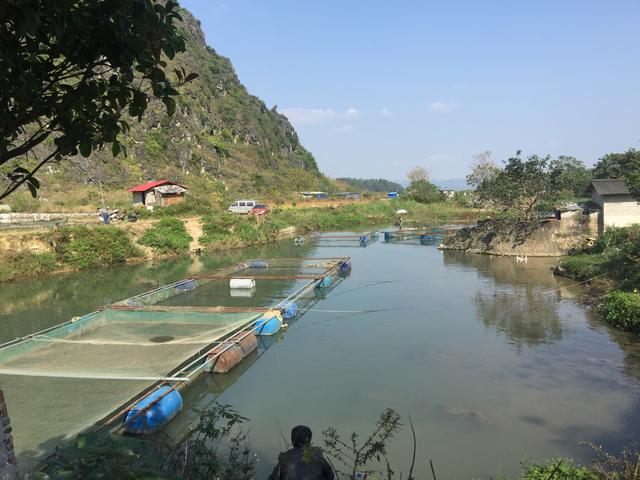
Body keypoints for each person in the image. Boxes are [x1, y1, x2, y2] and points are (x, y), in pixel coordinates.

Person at [268, 425, 334, 480]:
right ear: (309, 439)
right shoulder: (317, 455)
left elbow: (272, 478)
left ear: (293, 439)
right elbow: (330, 476)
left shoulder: (285, 457)